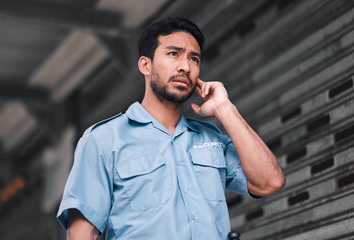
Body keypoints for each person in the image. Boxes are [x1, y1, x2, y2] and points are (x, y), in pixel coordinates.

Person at [57, 18, 285, 240]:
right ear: (145, 65)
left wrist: (226, 109)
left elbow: (270, 182)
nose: (185, 67)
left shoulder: (211, 139)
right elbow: (81, 233)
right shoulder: (104, 140)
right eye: (173, 54)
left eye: (194, 59)